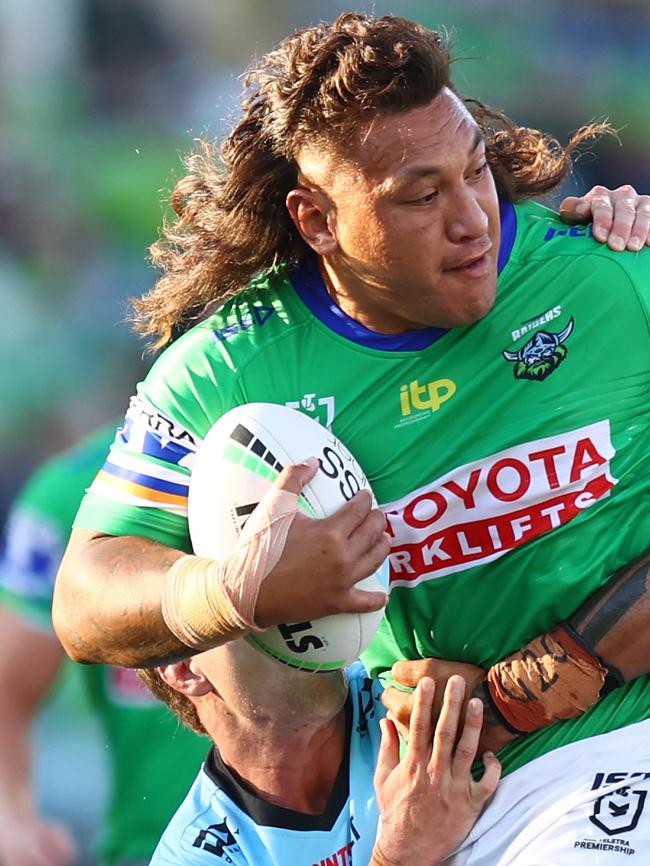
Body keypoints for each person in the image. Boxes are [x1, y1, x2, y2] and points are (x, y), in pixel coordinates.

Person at [52, 12, 650, 862]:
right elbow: (85, 596)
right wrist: (234, 589)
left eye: (475, 171)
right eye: (421, 195)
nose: (474, 219)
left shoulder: (610, 275)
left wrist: (538, 685)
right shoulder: (230, 369)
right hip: (447, 796)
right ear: (319, 220)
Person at [0, 425, 208, 866]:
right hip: (152, 850)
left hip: (343, 840)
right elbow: (6, 685)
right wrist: (9, 816)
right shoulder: (68, 492)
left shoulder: (347, 447)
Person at [139, 637, 500, 866]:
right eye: (258, 611)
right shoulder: (194, 855)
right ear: (185, 666)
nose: (305, 620)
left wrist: (503, 701)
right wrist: (398, 858)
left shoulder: (409, 692)